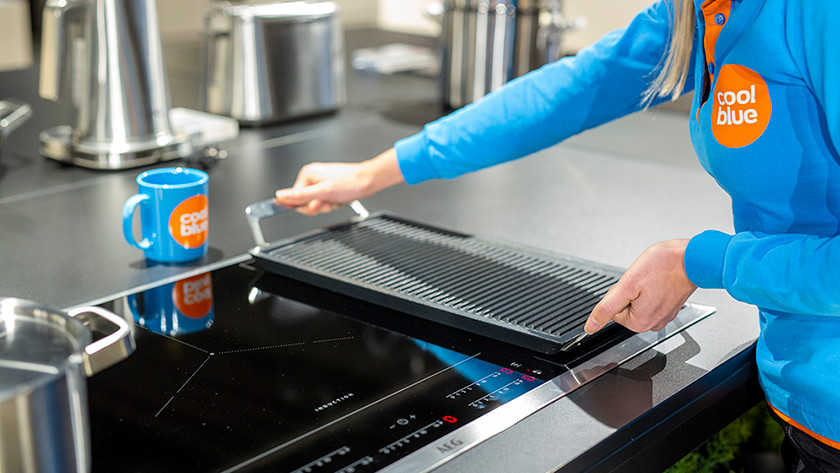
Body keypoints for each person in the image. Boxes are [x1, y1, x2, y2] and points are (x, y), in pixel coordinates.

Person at [275, 0, 840, 470]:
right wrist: (376, 172)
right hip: (807, 399)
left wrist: (702, 261)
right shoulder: (699, 12)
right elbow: (571, 90)